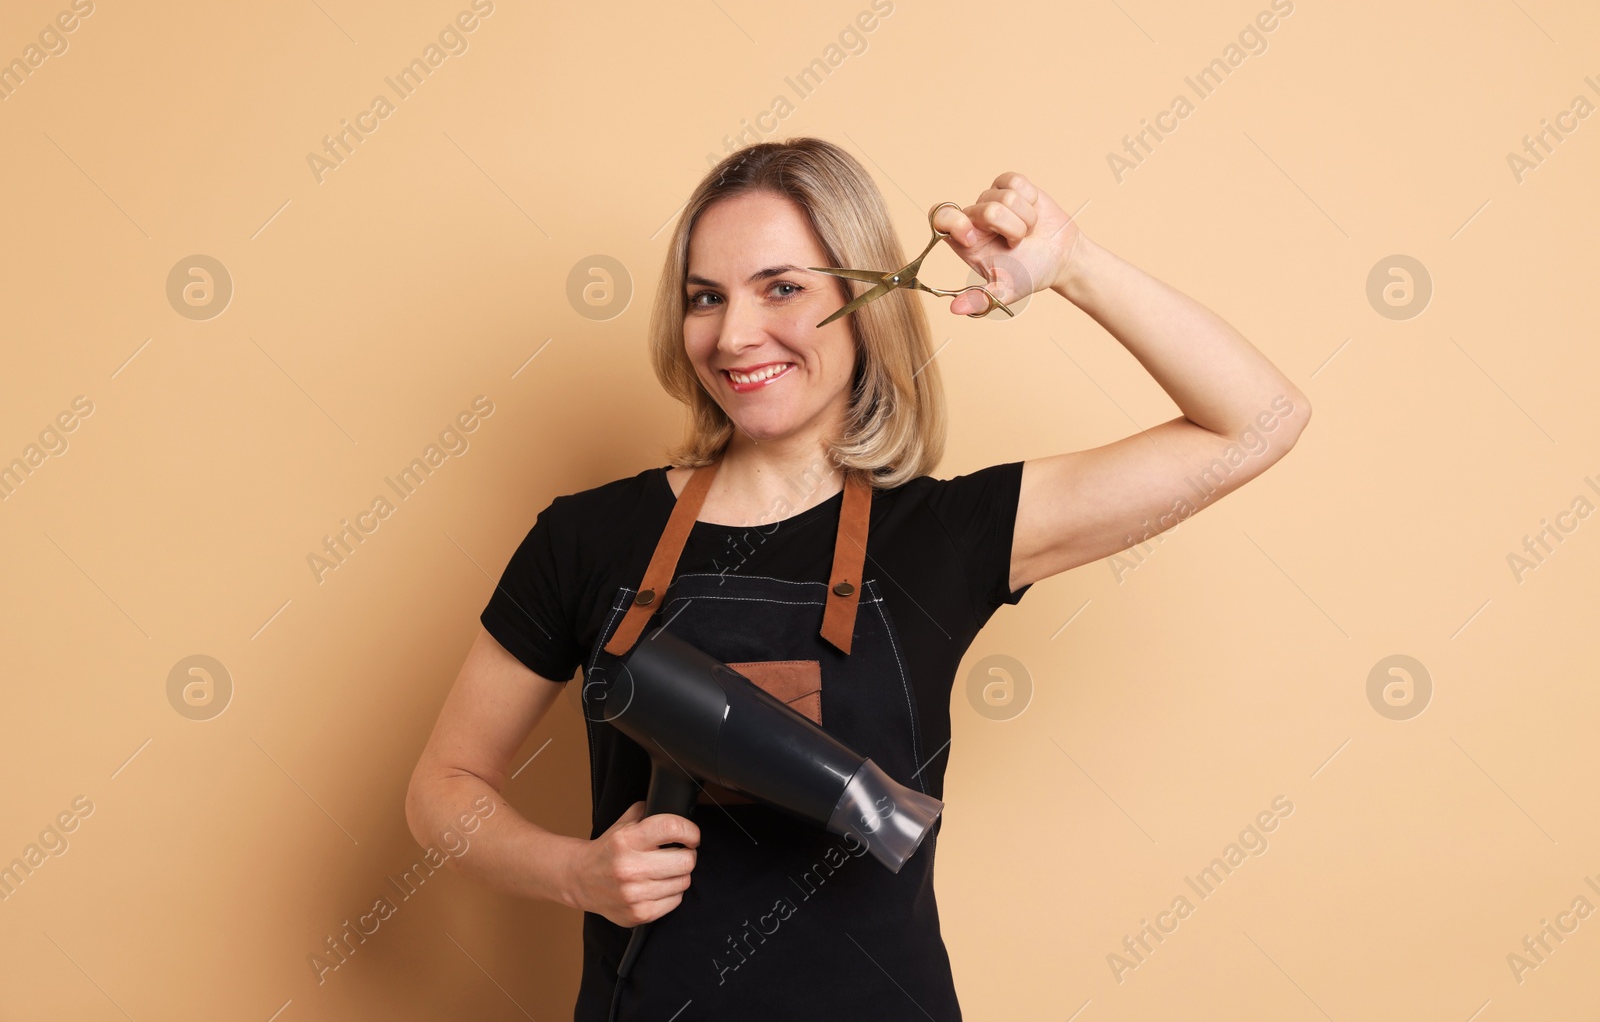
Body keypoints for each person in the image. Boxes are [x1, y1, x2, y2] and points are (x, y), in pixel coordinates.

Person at [405, 137, 1311, 1020]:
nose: (733, 334)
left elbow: (1260, 420)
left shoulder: (945, 537)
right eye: (705, 297)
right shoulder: (588, 537)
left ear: (867, 301)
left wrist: (1072, 263)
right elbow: (441, 786)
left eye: (784, 289)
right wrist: (575, 874)